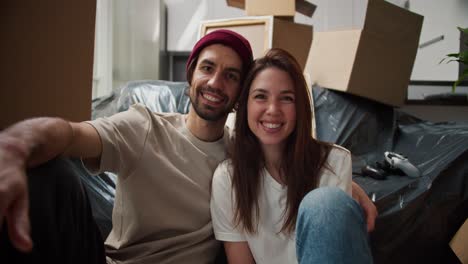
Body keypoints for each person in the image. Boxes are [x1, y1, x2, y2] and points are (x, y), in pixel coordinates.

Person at [0, 30, 376, 263]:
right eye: (208, 68)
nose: (216, 82)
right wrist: (15, 145)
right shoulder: (144, 126)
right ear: (190, 74)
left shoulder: (240, 155)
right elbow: (69, 134)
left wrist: (338, 193)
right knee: (48, 174)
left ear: (238, 97)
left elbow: (290, 164)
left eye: (231, 76)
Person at [210, 48, 373, 264]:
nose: (273, 109)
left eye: (286, 98)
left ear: (300, 108)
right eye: (260, 96)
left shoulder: (334, 162)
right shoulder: (228, 178)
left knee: (326, 202)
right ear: (245, 105)